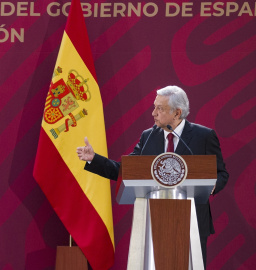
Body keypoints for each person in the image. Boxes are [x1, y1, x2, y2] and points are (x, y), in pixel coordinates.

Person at [76, 85, 228, 268]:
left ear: (177, 113)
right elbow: (126, 171)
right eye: (154, 106)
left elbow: (221, 173)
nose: (153, 113)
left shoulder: (203, 136)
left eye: (160, 108)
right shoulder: (148, 136)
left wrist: (209, 186)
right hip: (153, 220)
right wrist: (94, 159)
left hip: (193, 219)